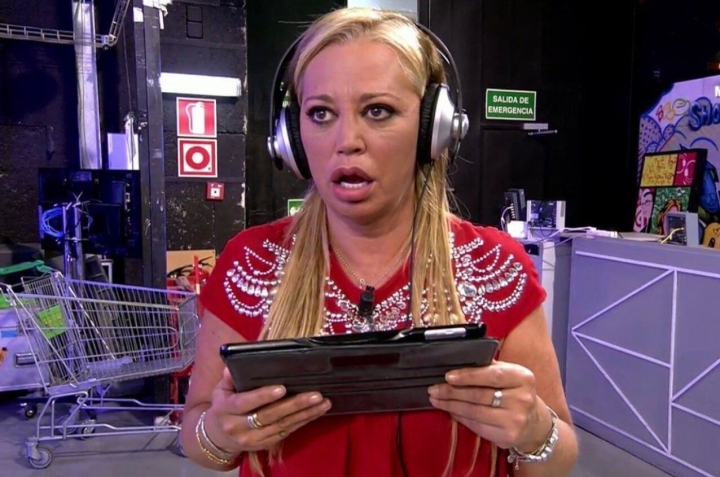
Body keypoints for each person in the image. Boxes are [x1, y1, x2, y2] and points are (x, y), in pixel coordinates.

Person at [181, 7, 578, 476]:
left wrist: (533, 432)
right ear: (291, 137)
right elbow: (198, 439)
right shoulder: (250, 263)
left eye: (378, 111)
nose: (347, 140)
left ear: (433, 129)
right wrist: (219, 433)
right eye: (321, 113)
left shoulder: (496, 266)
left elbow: (561, 456)